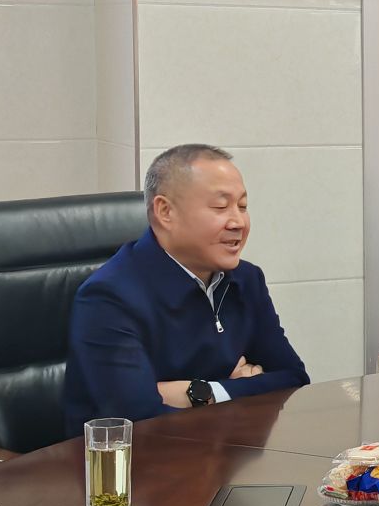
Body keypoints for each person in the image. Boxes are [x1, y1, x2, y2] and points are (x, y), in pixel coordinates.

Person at [63, 144, 309, 432]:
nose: (238, 222)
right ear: (165, 211)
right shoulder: (108, 297)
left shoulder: (246, 280)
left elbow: (294, 379)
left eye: (242, 206)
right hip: (131, 459)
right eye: (220, 207)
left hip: (225, 450)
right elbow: (138, 420)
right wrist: (243, 389)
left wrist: (202, 393)